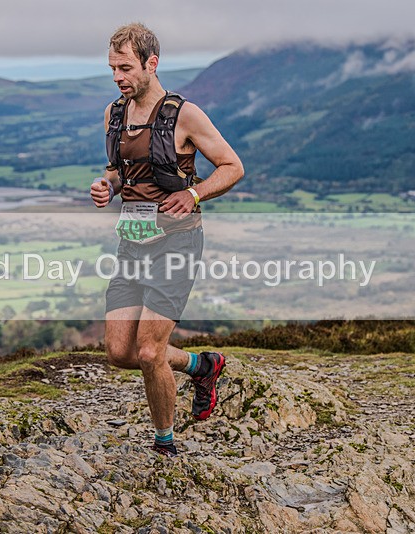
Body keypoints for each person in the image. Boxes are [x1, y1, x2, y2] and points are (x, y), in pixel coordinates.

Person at [90, 22, 244, 457]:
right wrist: (107, 187)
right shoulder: (114, 114)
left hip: (176, 244)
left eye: (125, 67)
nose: (118, 77)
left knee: (148, 350)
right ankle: (202, 365)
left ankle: (164, 445)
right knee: (119, 351)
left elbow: (233, 166)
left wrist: (193, 192)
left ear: (150, 63)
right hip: (132, 244)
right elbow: (121, 171)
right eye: (112, 68)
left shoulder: (185, 115)